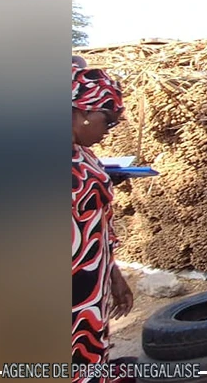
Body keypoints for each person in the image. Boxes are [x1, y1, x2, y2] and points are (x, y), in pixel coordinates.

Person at [71, 66, 135, 383]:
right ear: (82, 110)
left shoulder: (86, 157)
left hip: (90, 283)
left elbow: (99, 223)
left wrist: (114, 275)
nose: (109, 129)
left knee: (89, 351)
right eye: (106, 119)